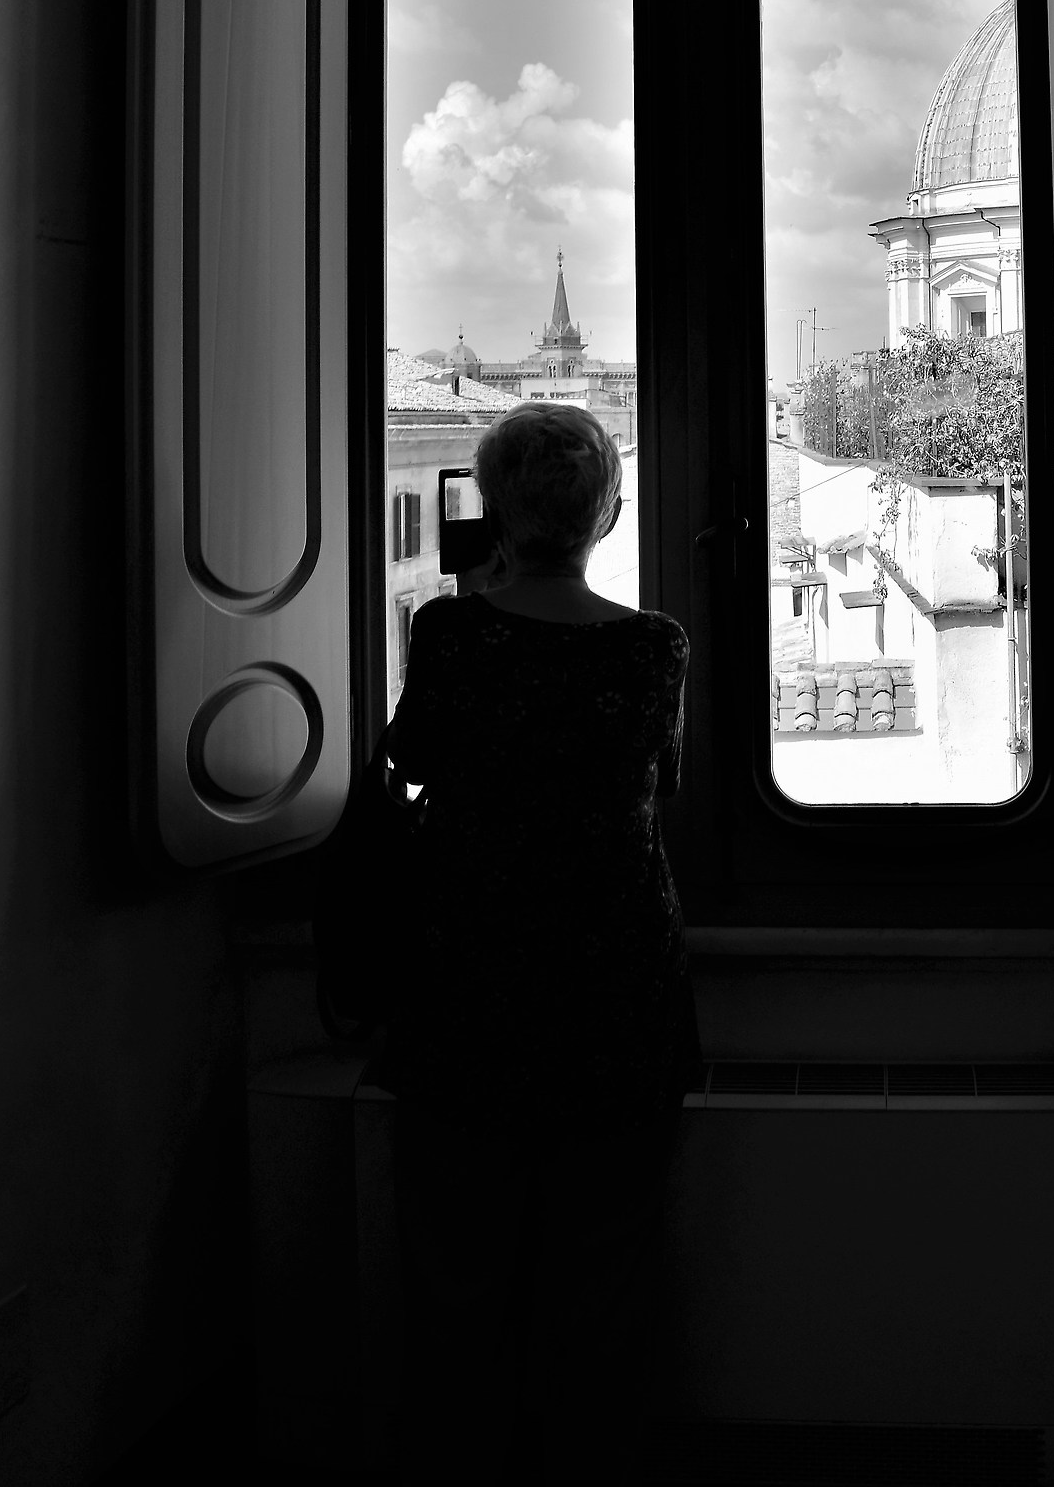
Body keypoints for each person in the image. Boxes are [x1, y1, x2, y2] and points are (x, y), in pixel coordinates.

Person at [379, 401, 696, 1482]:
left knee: (458, 1266)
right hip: (616, 972)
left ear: (496, 507)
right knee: (603, 1270)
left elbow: (412, 758)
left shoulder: (456, 632)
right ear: (609, 508)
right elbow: (669, 790)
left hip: (472, 965)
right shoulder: (656, 647)